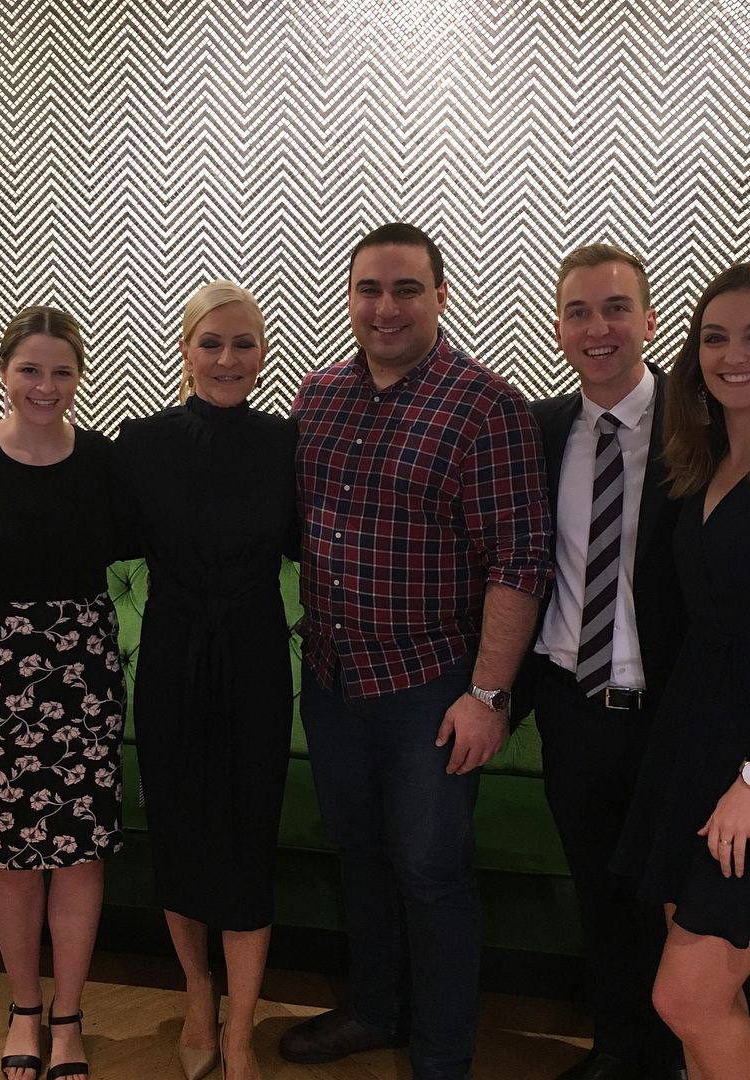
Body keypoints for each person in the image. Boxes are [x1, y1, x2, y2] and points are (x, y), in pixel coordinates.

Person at [281, 223, 552, 1080]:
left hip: (429, 691)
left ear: (440, 296)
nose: (386, 307)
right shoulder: (318, 396)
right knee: (359, 856)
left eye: (406, 289)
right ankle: (375, 1010)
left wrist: (490, 695)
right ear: (350, 297)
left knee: (432, 874)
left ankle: (440, 1057)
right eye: (369, 289)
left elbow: (519, 561)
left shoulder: (487, 407)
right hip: (331, 681)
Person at [612, 264, 750, 1080]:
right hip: (694, 746)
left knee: (688, 999)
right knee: (707, 1006)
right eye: (715, 338)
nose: (735, 356)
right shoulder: (702, 464)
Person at [0, 307, 123, 1080]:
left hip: (85, 666)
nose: (45, 385)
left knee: (79, 854)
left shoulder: (103, 459)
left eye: (61, 371)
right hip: (5, 668)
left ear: (79, 377)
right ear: (5, 371)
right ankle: (23, 1010)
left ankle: (69, 1018)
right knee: (13, 853)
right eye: (30, 370)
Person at [112, 280, 297, 1080]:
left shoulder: (288, 442)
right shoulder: (140, 443)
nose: (228, 359)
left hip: (255, 658)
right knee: (180, 835)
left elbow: (325, 539)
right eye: (211, 343)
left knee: (249, 839)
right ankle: (197, 995)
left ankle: (241, 1029)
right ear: (185, 350)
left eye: (243, 344)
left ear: (262, 354)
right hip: (172, 656)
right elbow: (87, 530)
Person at [526, 244, 687, 1080]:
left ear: (648, 320)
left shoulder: (701, 427)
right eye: (579, 312)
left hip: (671, 713)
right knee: (596, 889)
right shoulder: (541, 431)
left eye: (616, 308)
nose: (598, 328)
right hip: (572, 703)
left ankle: (675, 1056)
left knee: (671, 900)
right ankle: (616, 1051)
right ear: (559, 329)